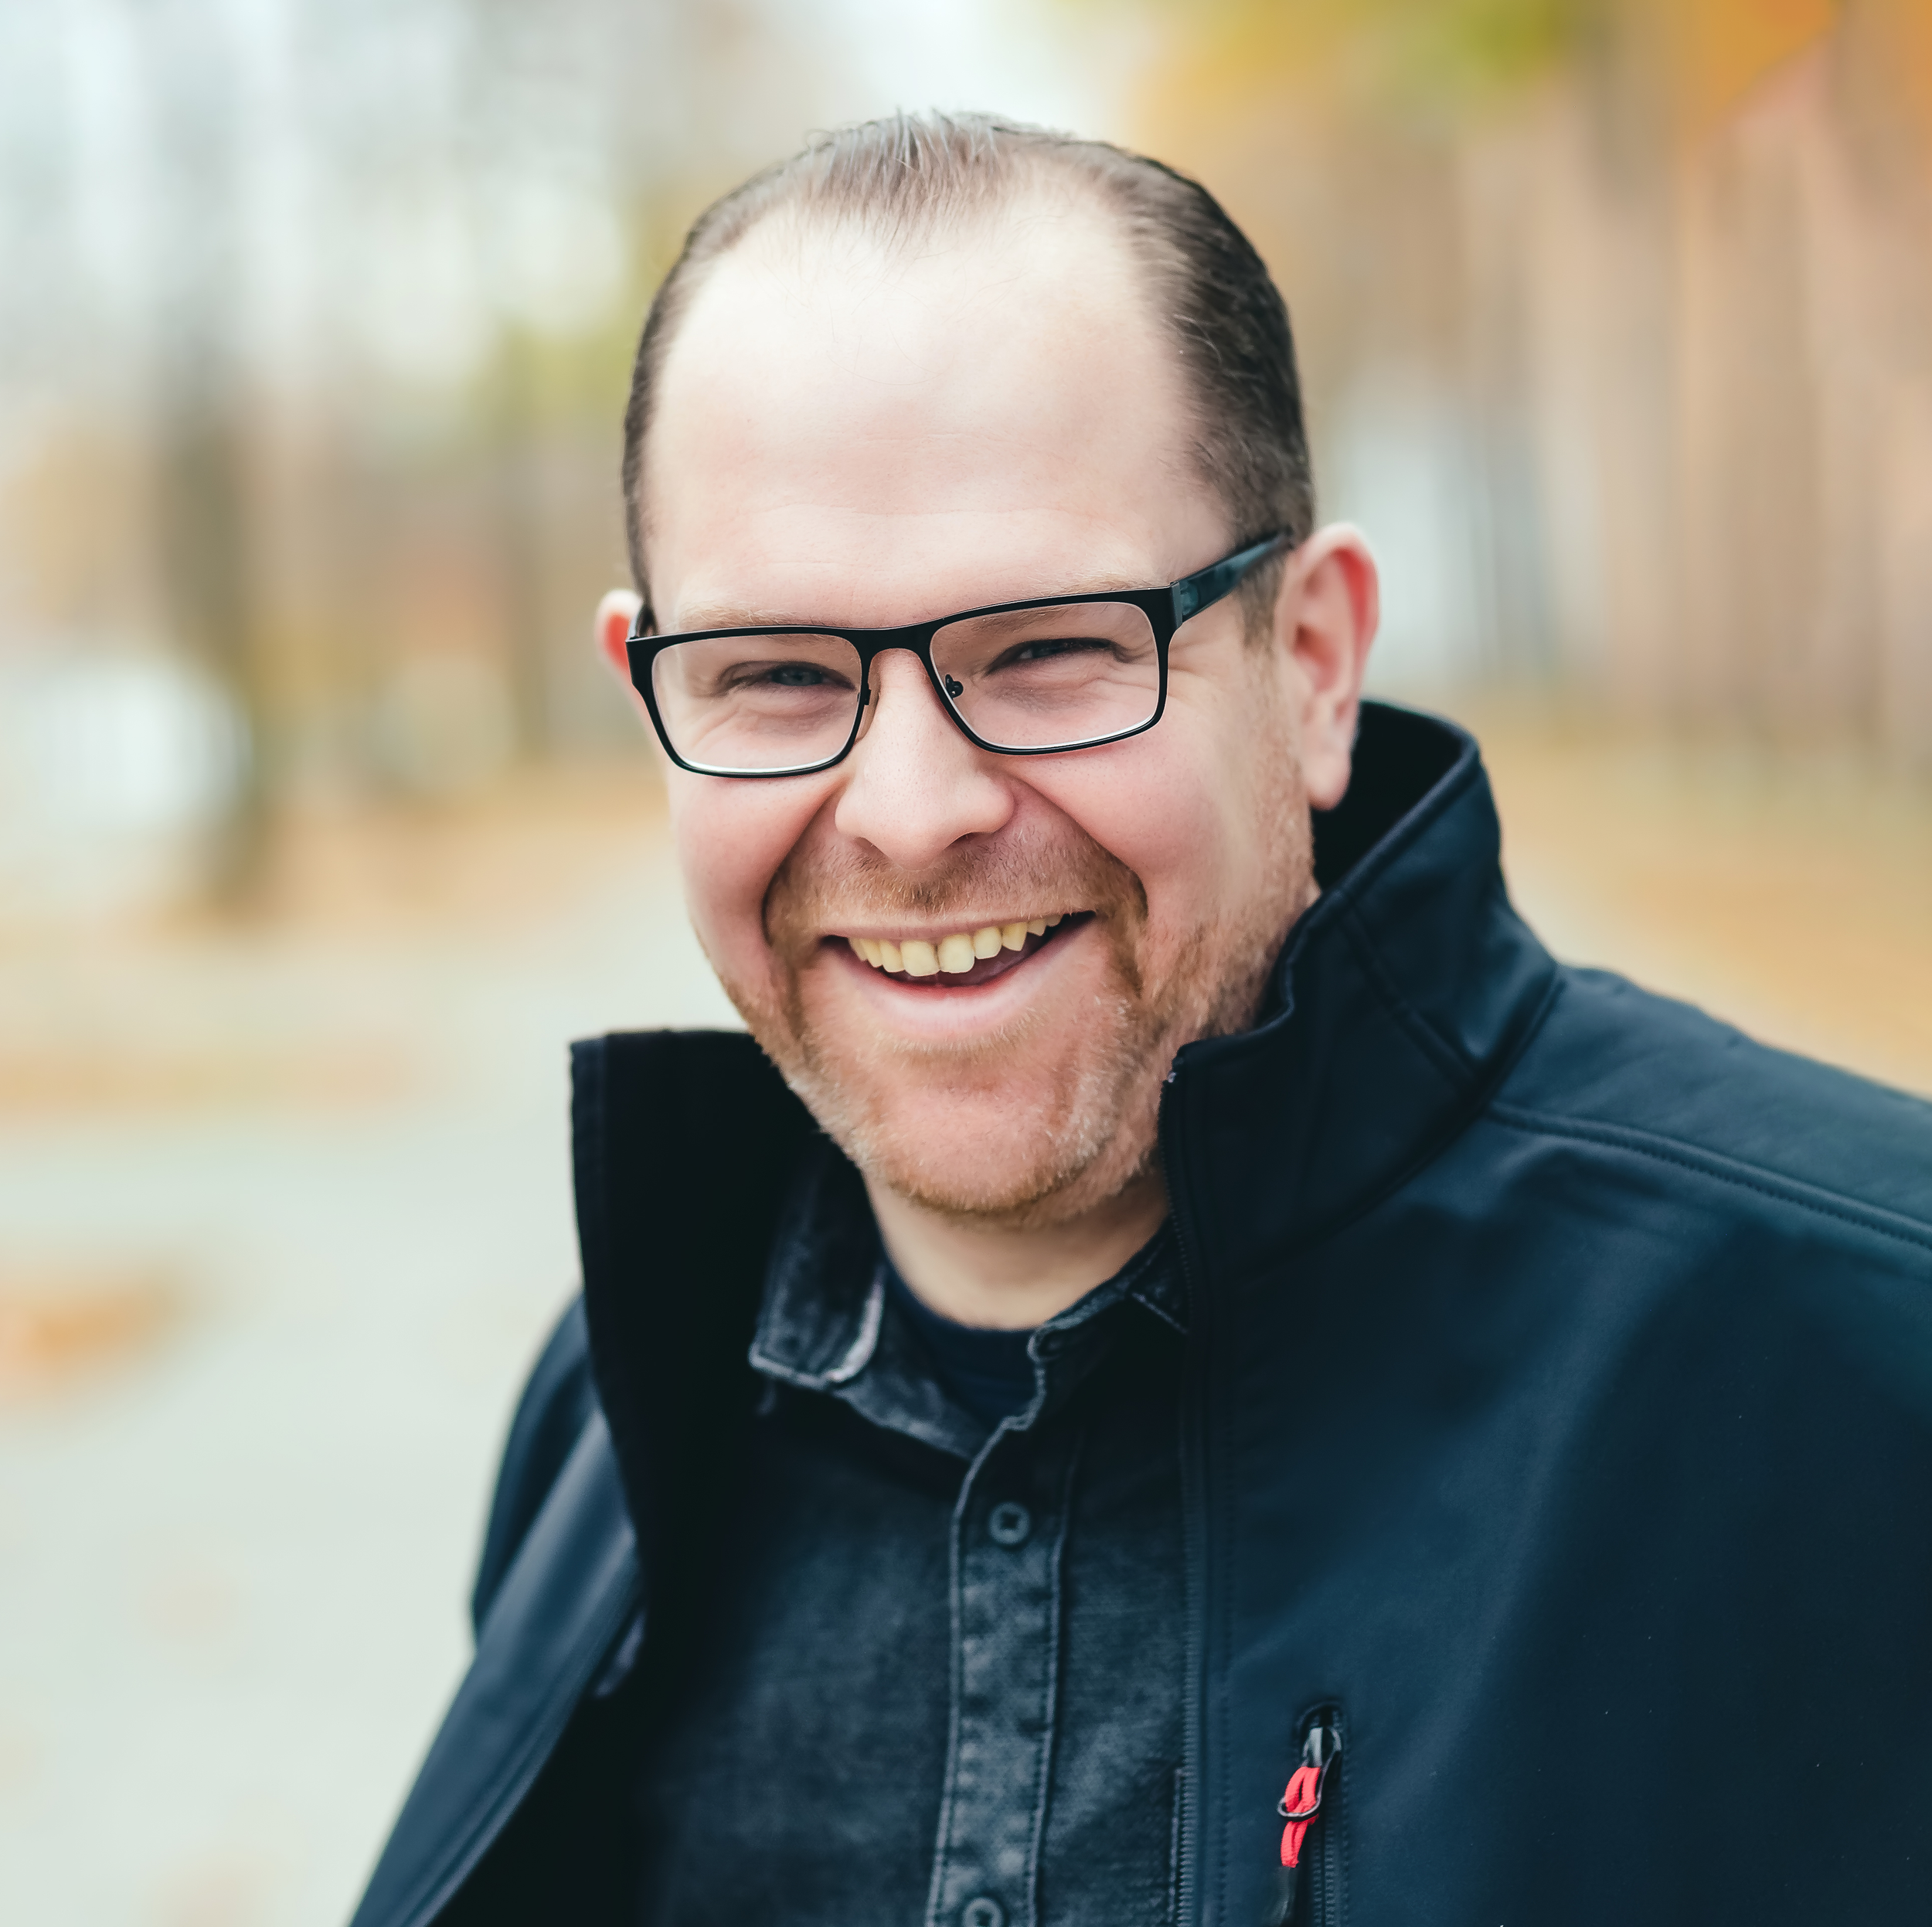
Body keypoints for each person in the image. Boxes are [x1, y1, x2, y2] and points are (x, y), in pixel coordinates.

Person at [348, 113, 1932, 1927]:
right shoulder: (622, 1410)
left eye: (1045, 647)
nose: (909, 807)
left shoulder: (1864, 1362)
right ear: (650, 694)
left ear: (1313, 661)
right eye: (777, 674)